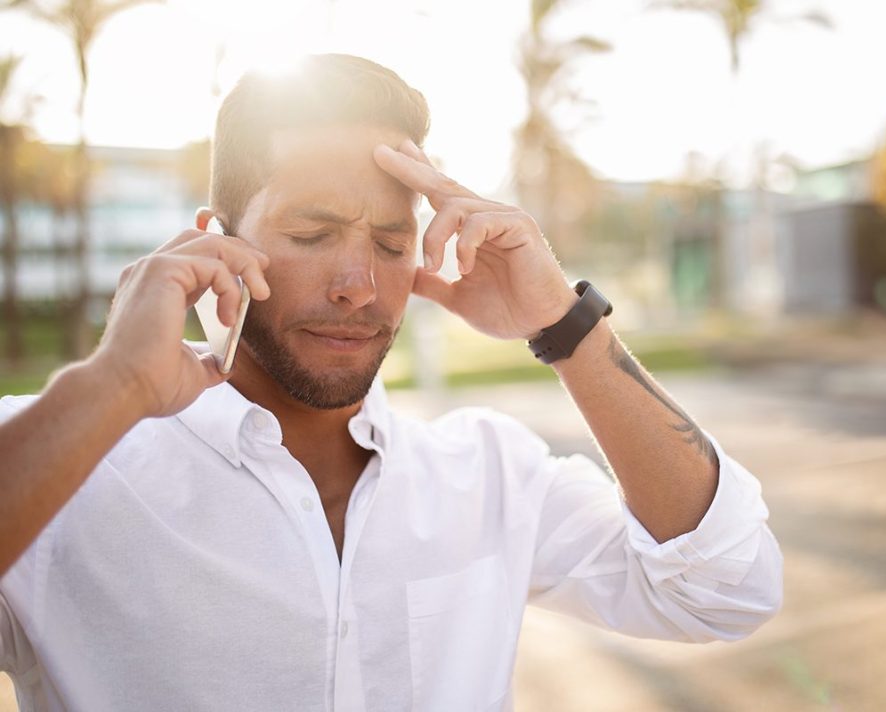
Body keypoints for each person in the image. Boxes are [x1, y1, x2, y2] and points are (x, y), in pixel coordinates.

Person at [0, 55, 782, 711]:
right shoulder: (59, 474)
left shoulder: (490, 475)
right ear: (215, 242)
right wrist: (116, 383)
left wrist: (564, 322)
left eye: (389, 242)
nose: (359, 286)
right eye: (312, 233)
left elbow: (724, 587)